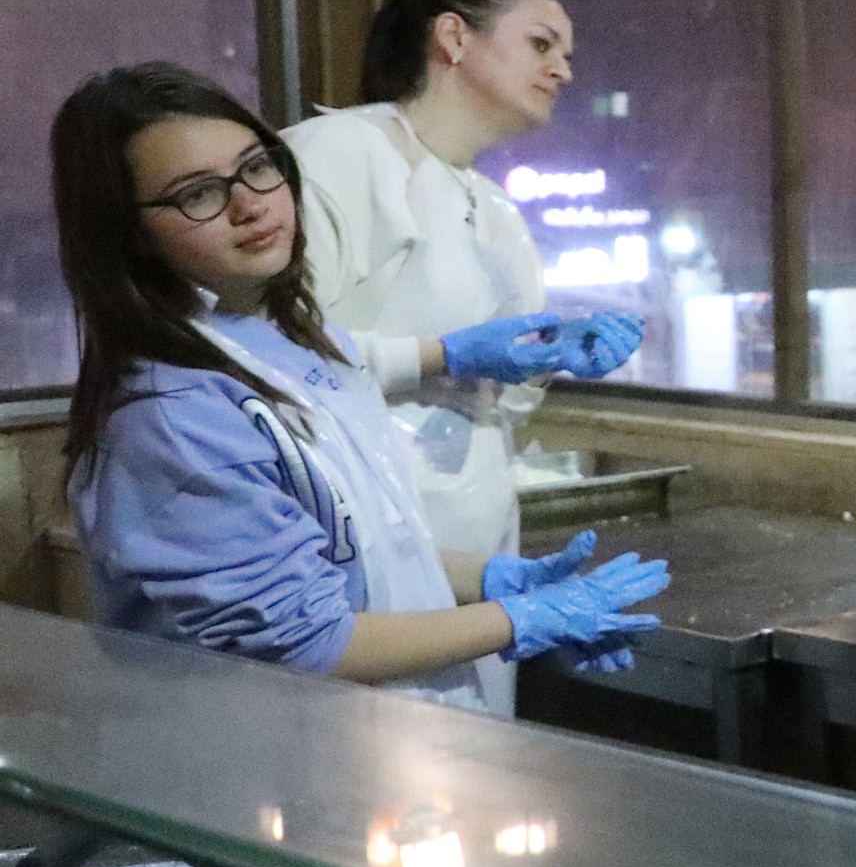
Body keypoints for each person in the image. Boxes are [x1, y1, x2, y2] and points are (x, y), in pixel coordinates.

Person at [55, 65, 668, 713]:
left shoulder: (284, 336)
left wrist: (489, 579)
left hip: (371, 740)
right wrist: (523, 619)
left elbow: (351, 550)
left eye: (257, 166)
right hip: (267, 753)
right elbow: (310, 643)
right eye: (198, 193)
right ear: (127, 233)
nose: (250, 204)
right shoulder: (174, 416)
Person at [285, 0, 644, 566]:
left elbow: (504, 407)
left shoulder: (494, 207)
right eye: (540, 44)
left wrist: (546, 357)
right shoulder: (341, 151)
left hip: (473, 548)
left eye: (566, 55)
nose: (563, 71)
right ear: (453, 37)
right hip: (350, 543)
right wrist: (444, 355)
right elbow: (266, 353)